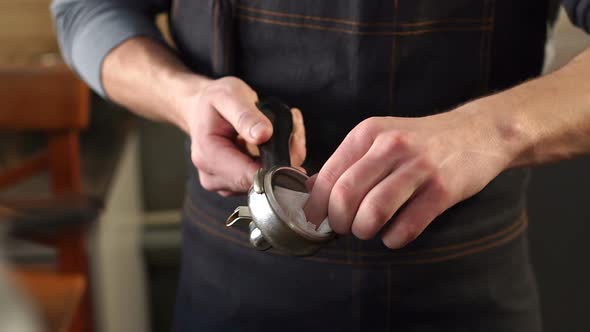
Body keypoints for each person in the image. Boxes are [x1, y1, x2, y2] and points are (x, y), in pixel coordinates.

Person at [52, 1, 590, 331]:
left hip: (466, 283)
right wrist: (184, 98)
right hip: (229, 285)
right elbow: (86, 9)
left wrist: (492, 130)